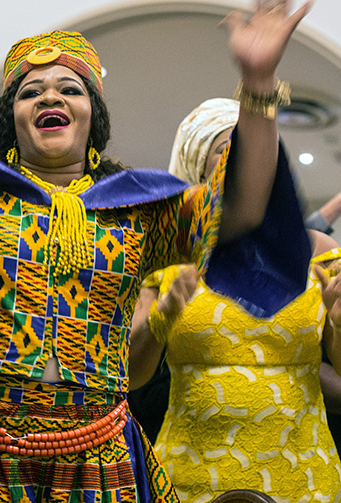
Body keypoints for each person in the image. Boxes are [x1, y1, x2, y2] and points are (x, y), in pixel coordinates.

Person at [0, 0, 313, 501]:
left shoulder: (139, 207)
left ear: (91, 115)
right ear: (12, 119)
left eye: (69, 88)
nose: (49, 95)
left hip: (98, 459)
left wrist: (259, 83)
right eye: (30, 91)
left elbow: (239, 211)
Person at [129, 97, 341, 499]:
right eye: (226, 149)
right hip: (191, 474)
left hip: (302, 472)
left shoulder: (317, 252)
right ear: (198, 168)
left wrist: (338, 322)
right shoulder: (168, 253)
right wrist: (164, 314)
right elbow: (133, 375)